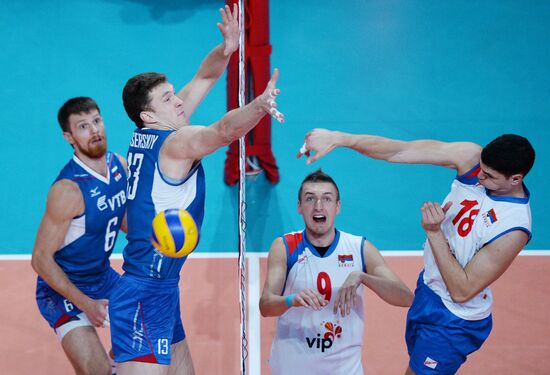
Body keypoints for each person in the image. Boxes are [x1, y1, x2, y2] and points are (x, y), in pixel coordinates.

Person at [108, 5, 284, 374]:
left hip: (161, 287)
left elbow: (205, 76)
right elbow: (222, 132)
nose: (179, 101)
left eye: (174, 93)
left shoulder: (148, 132)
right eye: (169, 98)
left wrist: (227, 48)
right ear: (149, 115)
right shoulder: (175, 144)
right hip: (145, 291)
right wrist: (258, 105)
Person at [299, 128, 535, 374]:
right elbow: (400, 150)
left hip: (454, 320)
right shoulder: (471, 158)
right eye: (482, 169)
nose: (480, 178)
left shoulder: (513, 227)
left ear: (515, 179)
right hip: (427, 290)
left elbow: (462, 290)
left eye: (489, 176)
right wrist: (341, 139)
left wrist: (434, 233)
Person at [259, 169, 414, 375]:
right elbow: (266, 306)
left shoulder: (359, 248)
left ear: (337, 206)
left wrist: (363, 277)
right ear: (299, 207)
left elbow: (405, 297)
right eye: (310, 199)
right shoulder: (285, 246)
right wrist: (292, 300)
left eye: (327, 199)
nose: (318, 206)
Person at [32, 97, 128, 375]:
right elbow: (40, 260)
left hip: (102, 277)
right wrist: (86, 304)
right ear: (69, 137)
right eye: (83, 126)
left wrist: (158, 237)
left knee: (155, 335)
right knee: (96, 370)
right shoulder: (68, 190)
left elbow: (121, 217)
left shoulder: (118, 165)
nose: (95, 130)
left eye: (97, 121)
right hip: (62, 290)